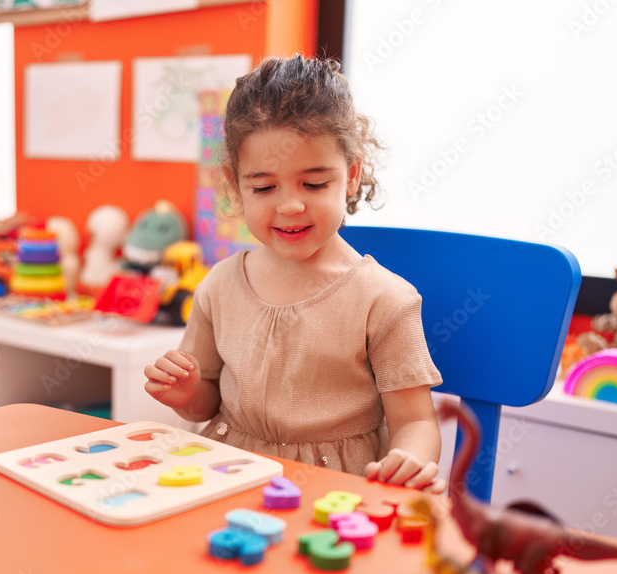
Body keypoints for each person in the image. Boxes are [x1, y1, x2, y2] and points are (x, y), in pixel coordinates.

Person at [144, 55, 445, 493]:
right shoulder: (219, 285)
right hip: (228, 476)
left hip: (333, 490)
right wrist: (187, 393)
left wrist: (409, 462)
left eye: (315, 184)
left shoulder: (385, 300)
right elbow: (207, 401)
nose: (289, 206)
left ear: (352, 175)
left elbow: (416, 420)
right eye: (264, 187)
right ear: (234, 185)